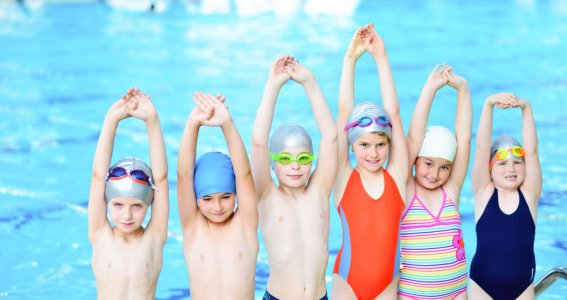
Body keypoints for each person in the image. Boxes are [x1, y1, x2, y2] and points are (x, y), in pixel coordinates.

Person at [251, 55, 337, 299]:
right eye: (286, 160)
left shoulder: (319, 191)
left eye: (303, 159)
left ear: (312, 161)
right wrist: (273, 86)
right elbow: (258, 144)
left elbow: (331, 137)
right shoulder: (267, 195)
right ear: (273, 163)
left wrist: (310, 82)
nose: (295, 167)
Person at [332, 24, 408, 300]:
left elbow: (394, 113)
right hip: (346, 284)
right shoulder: (343, 177)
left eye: (380, 145)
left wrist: (381, 58)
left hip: (387, 287)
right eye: (364, 145)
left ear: (389, 144)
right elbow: (343, 113)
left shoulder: (397, 178)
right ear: (351, 144)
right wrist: (350, 59)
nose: (373, 154)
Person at [398, 65, 472, 299]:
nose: (435, 174)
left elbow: (465, 139)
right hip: (413, 294)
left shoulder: (451, 190)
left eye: (444, 167)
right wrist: (430, 88)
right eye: (428, 164)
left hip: (456, 293)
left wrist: (463, 90)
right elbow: (414, 136)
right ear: (415, 161)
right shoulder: (407, 188)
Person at [88, 88, 169, 300]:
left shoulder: (154, 239)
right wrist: (111, 120)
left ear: (149, 203)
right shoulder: (100, 235)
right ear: (106, 201)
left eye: (137, 206)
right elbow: (98, 176)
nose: (127, 215)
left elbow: (160, 179)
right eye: (118, 205)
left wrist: (152, 121)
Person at [177, 92, 258, 299]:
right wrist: (193, 124)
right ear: (196, 198)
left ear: (236, 194)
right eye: (207, 199)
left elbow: (244, 173)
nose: (217, 207)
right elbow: (184, 176)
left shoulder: (245, 224)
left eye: (226, 196)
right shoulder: (193, 227)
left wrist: (227, 124)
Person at [469, 93, 541, 300]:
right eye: (502, 163)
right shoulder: (484, 193)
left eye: (517, 162)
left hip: (522, 288)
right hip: (482, 286)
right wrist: (488, 105)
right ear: (490, 169)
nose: (511, 168)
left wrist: (526, 108)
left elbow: (533, 151)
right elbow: (482, 148)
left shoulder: (529, 195)